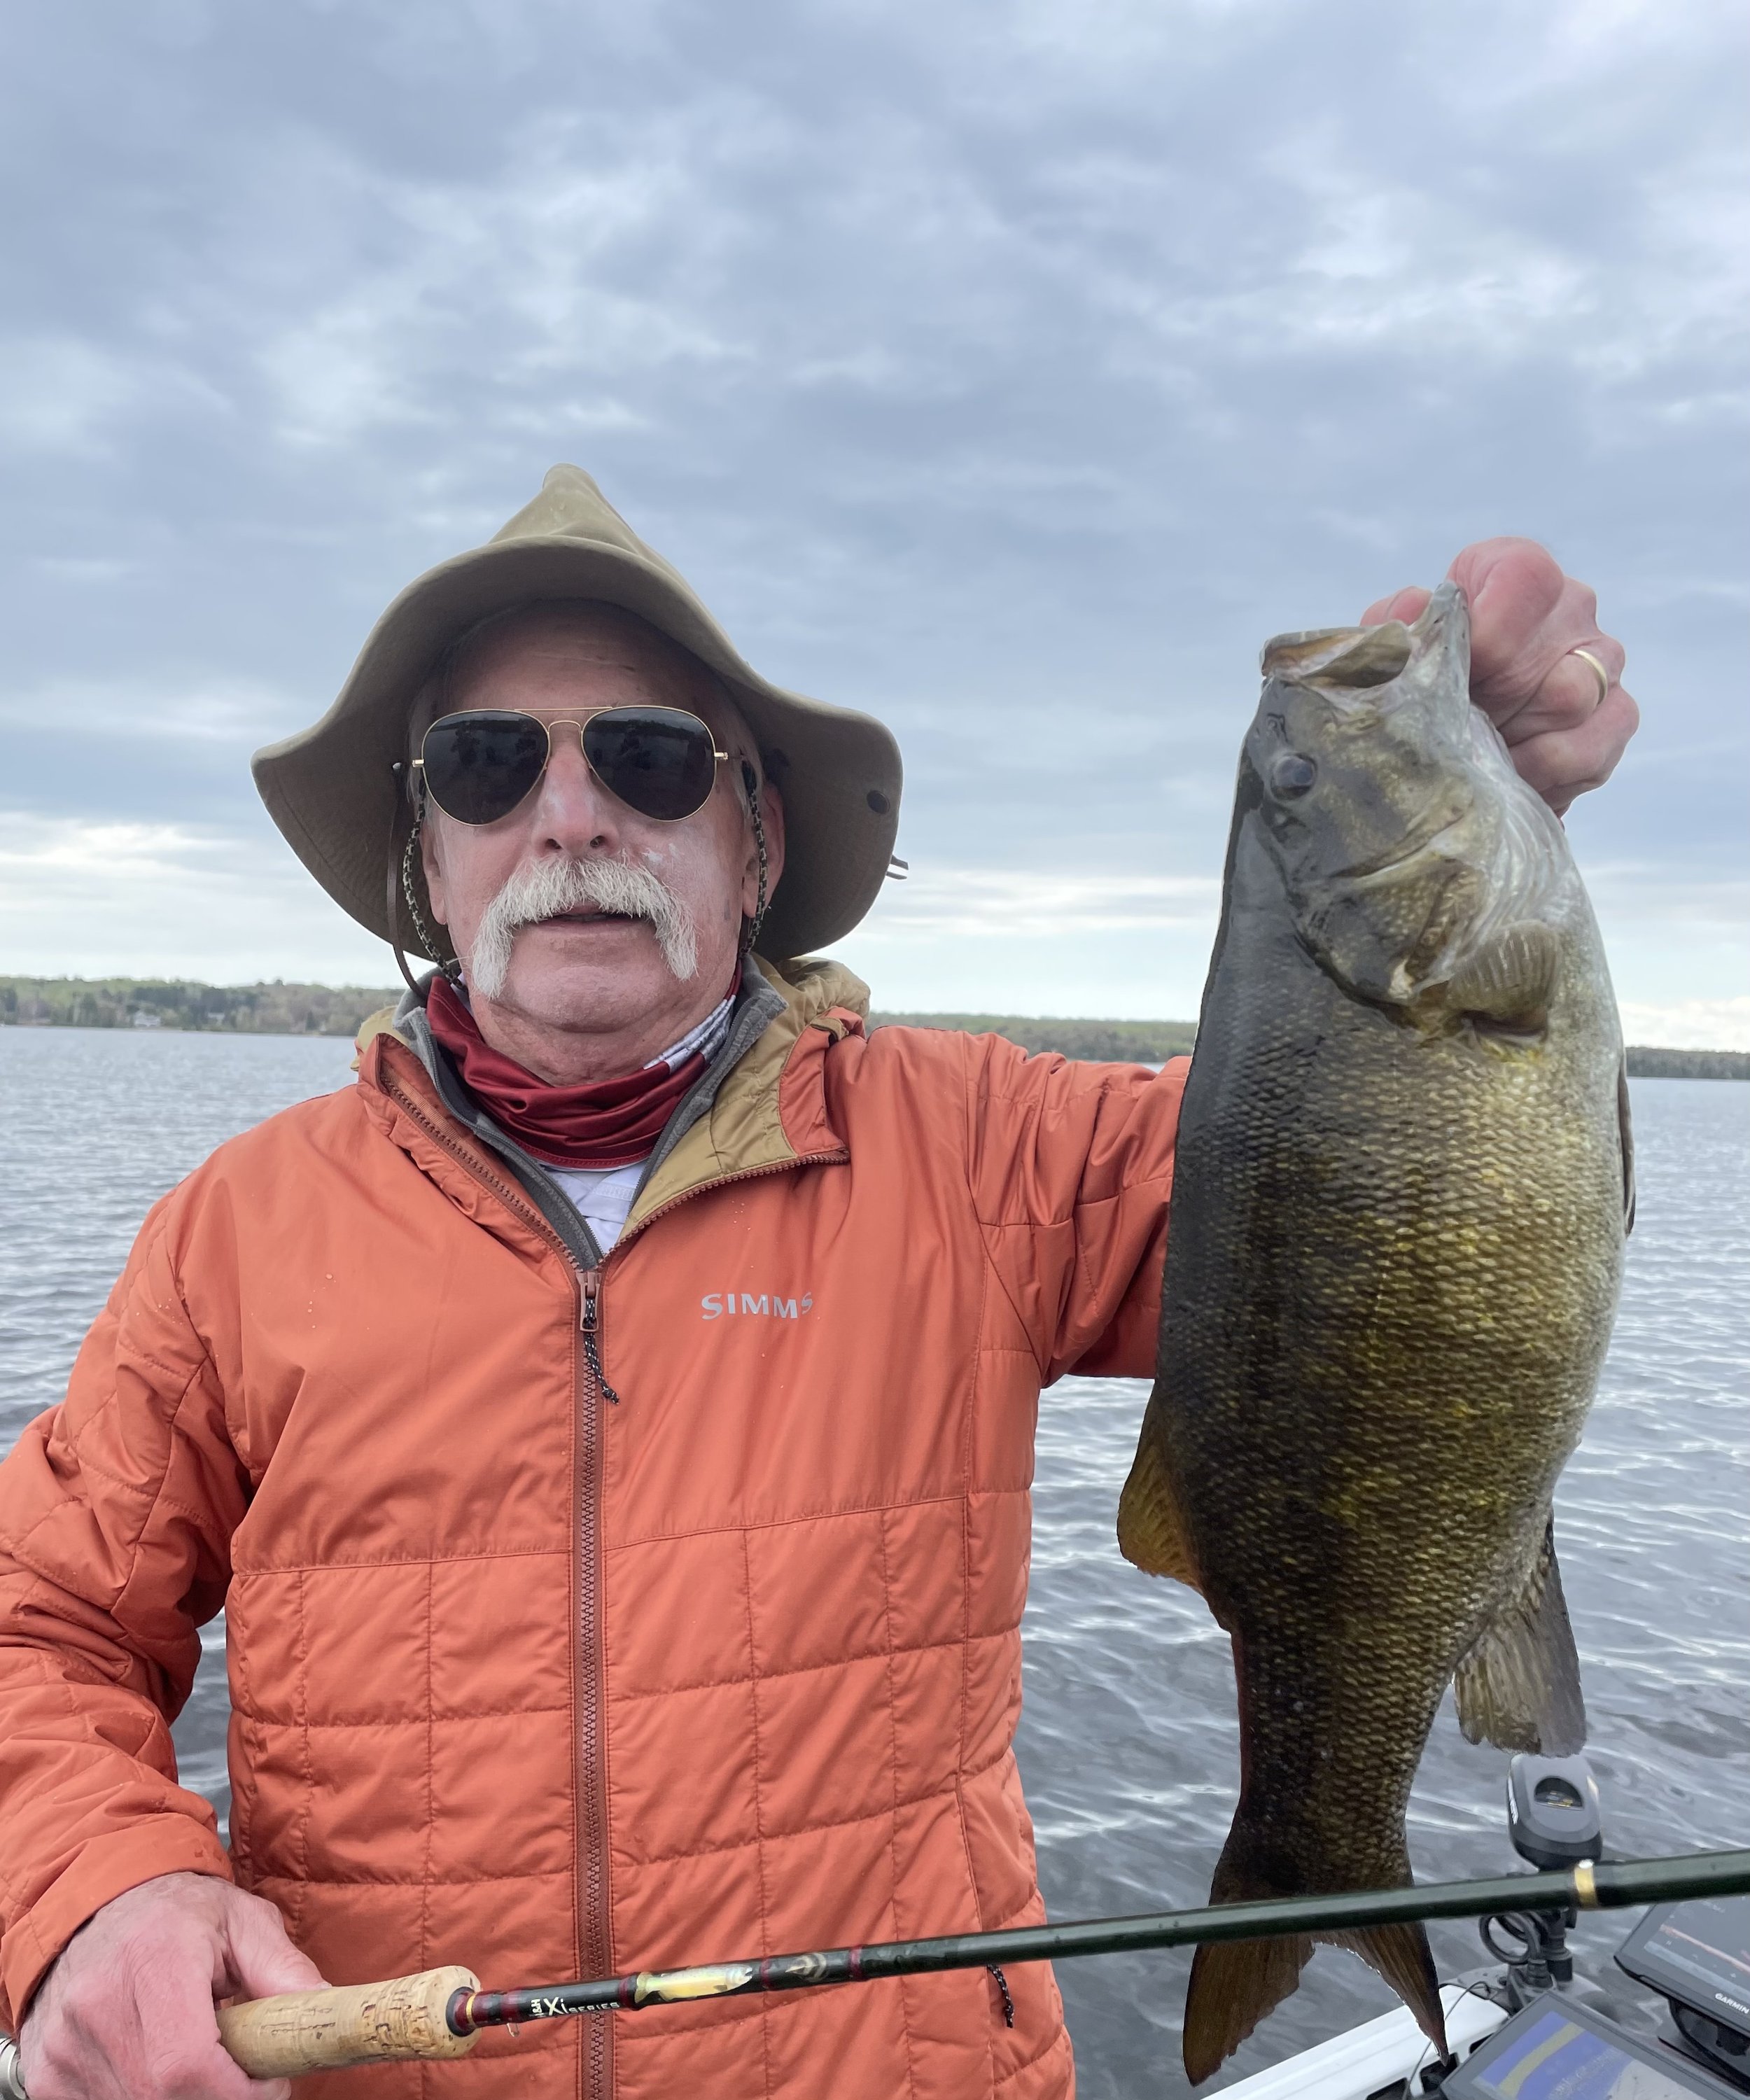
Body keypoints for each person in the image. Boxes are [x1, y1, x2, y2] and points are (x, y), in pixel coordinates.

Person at [0, 467, 1636, 2100]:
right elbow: (40, 1619)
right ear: (425, 853)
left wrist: (1479, 795)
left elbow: (1374, 1170)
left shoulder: (992, 1152)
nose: (569, 816)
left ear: (756, 840)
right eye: (486, 765)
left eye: (648, 759)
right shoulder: (236, 1232)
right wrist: (97, 1889)